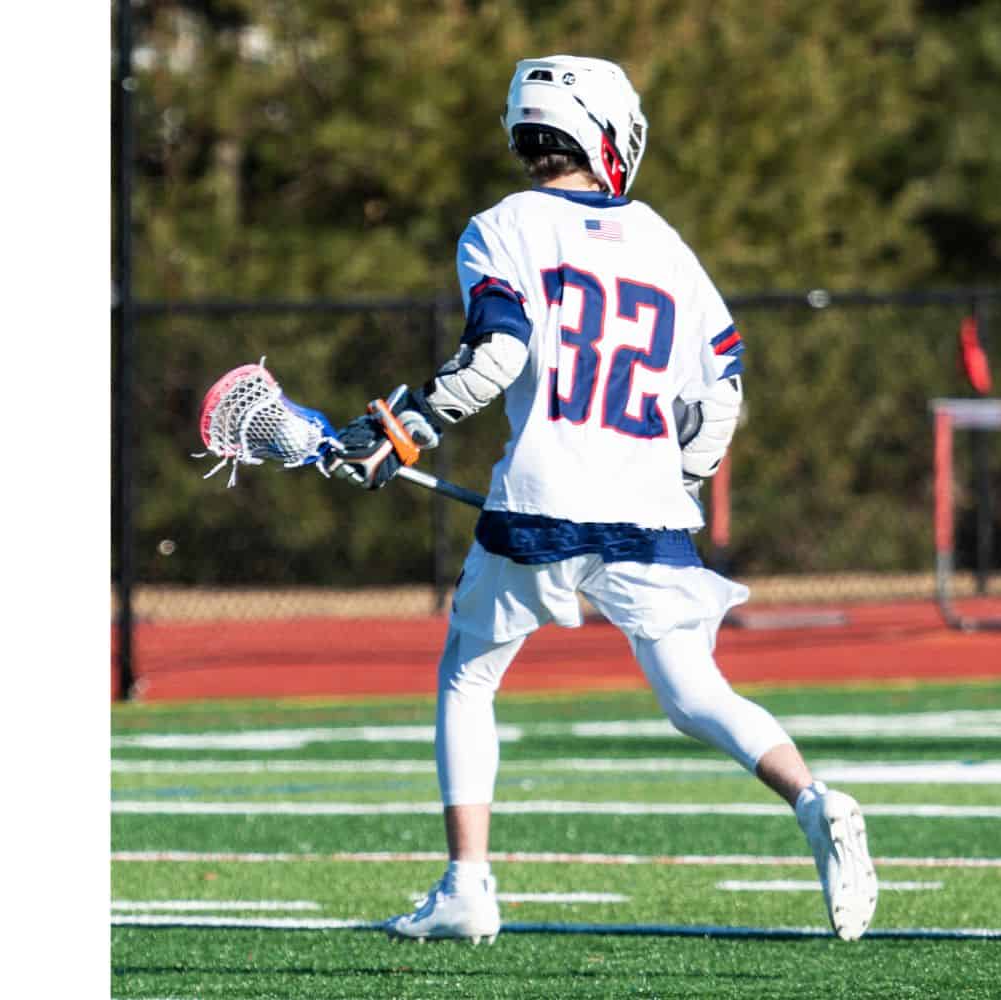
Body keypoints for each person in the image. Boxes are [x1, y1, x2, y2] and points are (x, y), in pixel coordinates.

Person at [321, 54, 877, 944]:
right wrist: (679, 475)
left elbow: (497, 355)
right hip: (648, 504)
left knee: (470, 675)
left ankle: (469, 886)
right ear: (607, 129)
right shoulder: (663, 240)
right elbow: (722, 387)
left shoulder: (501, 226)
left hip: (543, 495)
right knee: (695, 695)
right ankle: (814, 800)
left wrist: (410, 426)